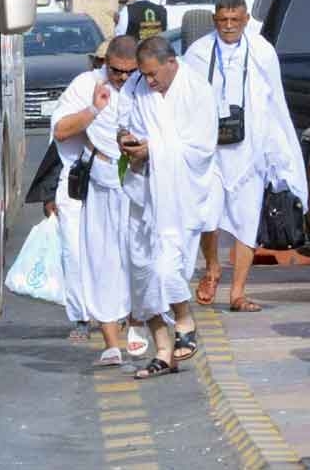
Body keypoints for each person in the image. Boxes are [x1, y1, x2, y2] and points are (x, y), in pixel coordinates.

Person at [183, 0, 307, 312]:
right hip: (210, 152)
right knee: (206, 215)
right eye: (222, 20)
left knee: (247, 221)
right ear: (214, 20)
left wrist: (280, 153)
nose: (228, 27)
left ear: (246, 20)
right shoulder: (198, 53)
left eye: (234, 21)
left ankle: (237, 292)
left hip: (249, 152)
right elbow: (186, 99)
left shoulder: (262, 53)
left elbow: (274, 104)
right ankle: (212, 267)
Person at [118, 35, 219, 380]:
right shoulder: (135, 87)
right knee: (142, 276)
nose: (148, 82)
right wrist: (127, 141)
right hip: (143, 194)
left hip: (180, 197)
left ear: (171, 62)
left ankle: (185, 321)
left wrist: (155, 149)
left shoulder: (197, 91)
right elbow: (124, 121)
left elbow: (202, 147)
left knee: (166, 268)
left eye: (152, 74)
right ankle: (164, 352)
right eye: (143, 75)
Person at [54, 36, 141, 366]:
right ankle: (110, 342)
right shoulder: (86, 84)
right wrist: (94, 108)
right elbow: (61, 131)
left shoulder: (144, 86)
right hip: (101, 177)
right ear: (106, 64)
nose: (121, 78)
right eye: (116, 71)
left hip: (139, 178)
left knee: (137, 256)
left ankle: (136, 324)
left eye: (128, 72)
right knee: (100, 258)